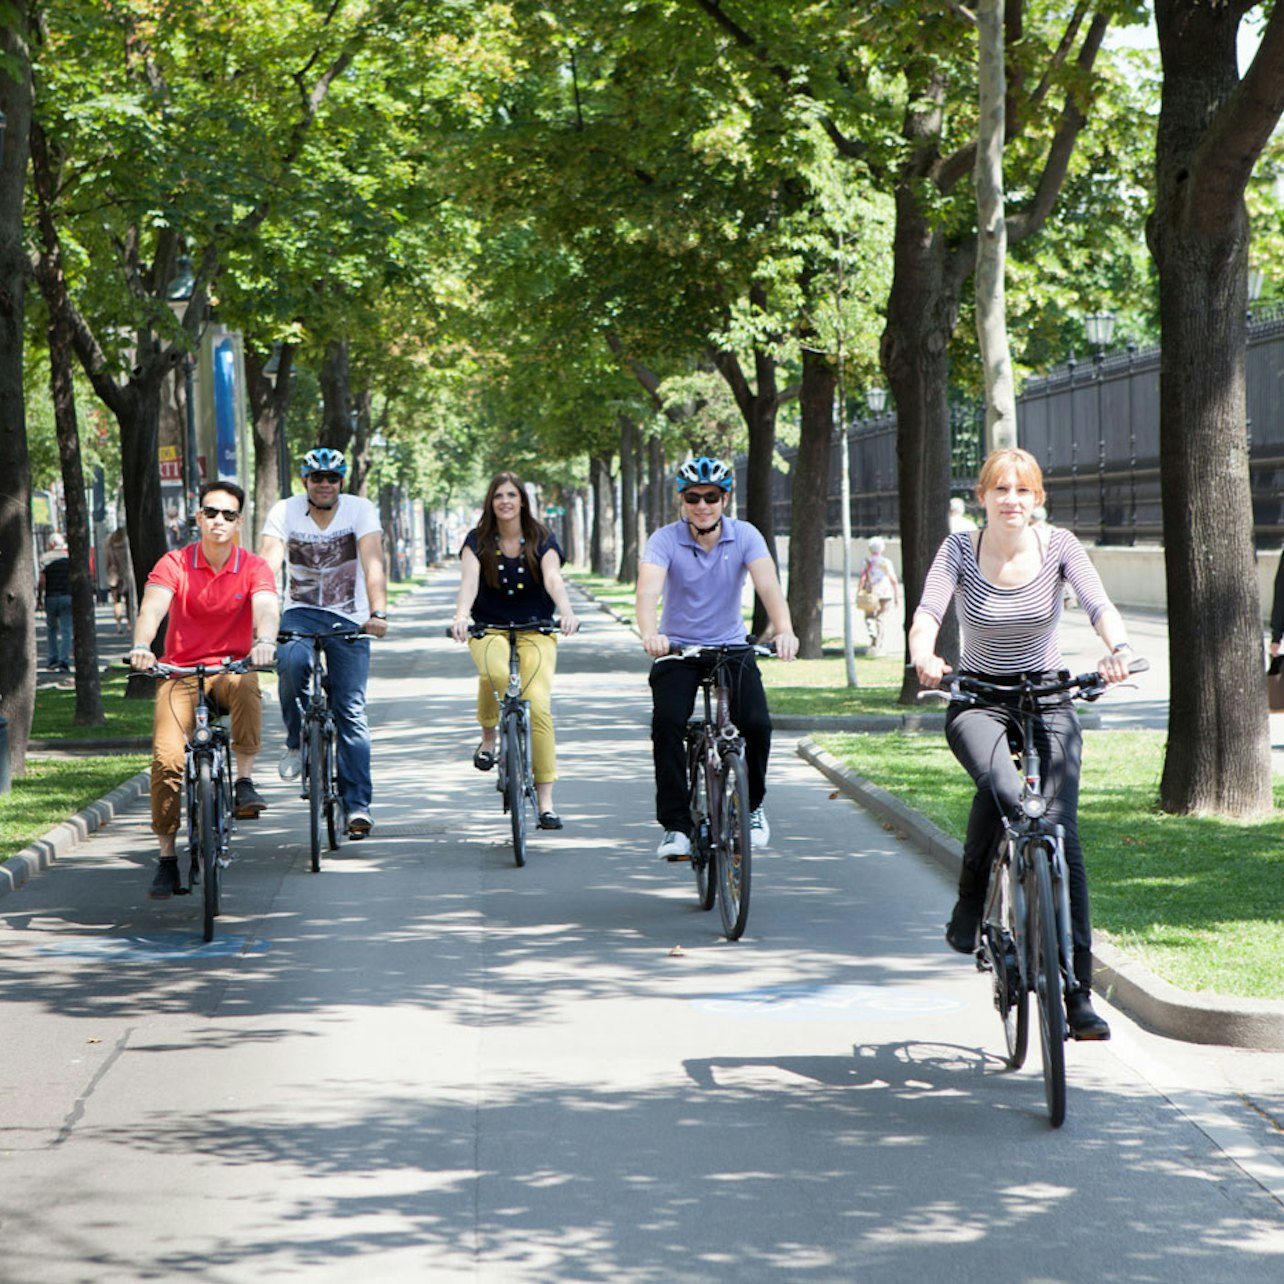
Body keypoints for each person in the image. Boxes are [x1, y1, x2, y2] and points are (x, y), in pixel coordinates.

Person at [908, 446, 1133, 1041]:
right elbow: (929, 609)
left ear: (1038, 499)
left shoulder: (1059, 546)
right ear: (982, 496)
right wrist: (923, 655)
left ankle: (1077, 995)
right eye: (1000, 490)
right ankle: (970, 899)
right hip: (978, 698)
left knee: (1060, 831)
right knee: (1004, 787)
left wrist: (1119, 650)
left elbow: (1097, 603)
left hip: (1049, 697)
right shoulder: (959, 549)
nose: (1012, 500)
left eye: (1023, 491)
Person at [635, 456, 798, 859]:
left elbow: (768, 586)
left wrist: (786, 629)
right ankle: (676, 827)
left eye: (711, 497)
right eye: (693, 497)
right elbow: (647, 592)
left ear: (724, 498)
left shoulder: (745, 536)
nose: (702, 505)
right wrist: (651, 634)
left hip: (731, 646)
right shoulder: (665, 540)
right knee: (668, 723)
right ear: (683, 500)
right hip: (678, 649)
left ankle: (753, 806)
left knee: (757, 724)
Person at [129, 481, 279, 900]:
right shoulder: (174, 563)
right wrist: (143, 646)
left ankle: (244, 783)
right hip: (179, 674)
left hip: (229, 669)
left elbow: (267, 608)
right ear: (198, 516)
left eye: (228, 515)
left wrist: (265, 640)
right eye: (211, 512)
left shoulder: (253, 567)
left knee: (248, 683)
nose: (219, 521)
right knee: (168, 760)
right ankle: (166, 859)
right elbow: (152, 607)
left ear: (239, 522)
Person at [261, 447, 388, 840]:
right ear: (305, 481)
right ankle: (298, 741)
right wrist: (261, 623)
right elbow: (267, 565)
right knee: (291, 660)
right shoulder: (284, 511)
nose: (324, 484)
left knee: (350, 709)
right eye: (317, 477)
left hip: (349, 616)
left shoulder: (359, 509)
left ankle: (357, 806)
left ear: (341, 482)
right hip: (299, 612)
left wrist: (378, 612)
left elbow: (372, 561)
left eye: (332, 478)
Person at [450, 471, 579, 829]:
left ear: (522, 500)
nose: (505, 501)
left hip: (536, 629)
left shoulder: (542, 538)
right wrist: (461, 616)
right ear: (490, 503)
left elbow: (553, 578)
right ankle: (489, 737)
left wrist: (566, 612)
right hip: (487, 627)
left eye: (511, 495)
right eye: (498, 496)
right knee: (494, 673)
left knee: (537, 705)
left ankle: (545, 802)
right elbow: (469, 582)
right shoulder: (477, 540)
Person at [37, 532, 74, 672]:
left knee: (51, 629)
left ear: (51, 544)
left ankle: (53, 659)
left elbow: (42, 580)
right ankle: (64, 661)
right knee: (66, 630)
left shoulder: (45, 558)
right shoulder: (69, 558)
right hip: (66, 596)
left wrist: (39, 597)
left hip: (51, 597)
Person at [857, 535, 900, 641]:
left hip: (871, 592)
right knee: (881, 618)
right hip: (886, 592)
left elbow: (863, 577)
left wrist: (859, 591)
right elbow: (893, 579)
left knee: (869, 615)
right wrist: (896, 595)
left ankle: (872, 631)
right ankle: (878, 641)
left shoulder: (867, 562)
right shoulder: (886, 562)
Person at [105, 525, 132, 634]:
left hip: (115, 578)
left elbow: (108, 564)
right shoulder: (127, 547)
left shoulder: (110, 546)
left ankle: (119, 626)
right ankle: (130, 624)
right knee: (129, 603)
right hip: (126, 577)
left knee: (117, 602)